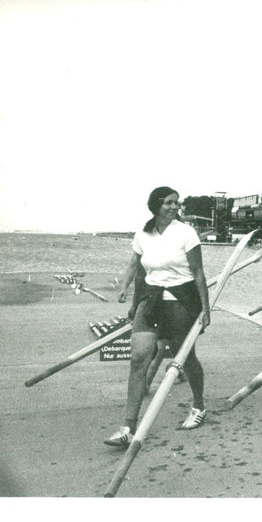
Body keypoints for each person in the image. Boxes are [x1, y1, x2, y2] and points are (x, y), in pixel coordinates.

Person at [105, 186, 211, 447]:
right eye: (169, 203)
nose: (175, 207)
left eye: (177, 203)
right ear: (156, 206)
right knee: (139, 357)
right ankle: (128, 427)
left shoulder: (186, 232)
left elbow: (198, 271)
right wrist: (129, 296)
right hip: (150, 298)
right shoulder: (143, 233)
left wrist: (206, 309)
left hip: (181, 299)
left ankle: (198, 405)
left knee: (184, 357)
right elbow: (137, 268)